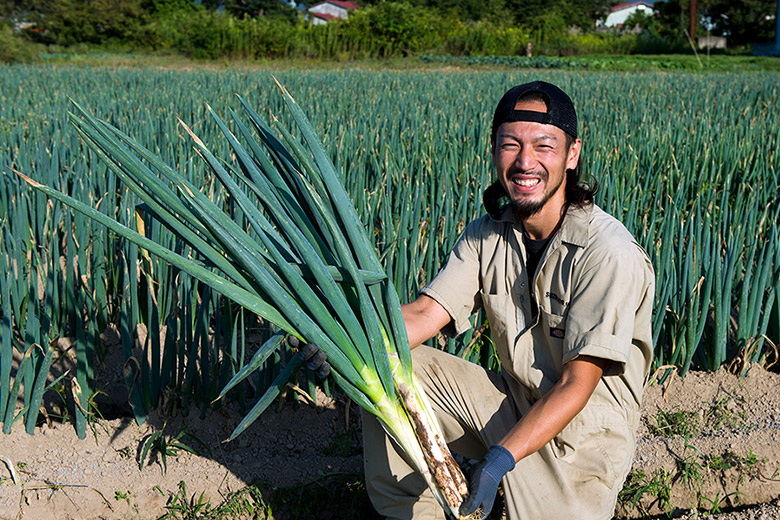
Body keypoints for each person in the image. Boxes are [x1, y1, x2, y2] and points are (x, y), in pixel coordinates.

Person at [361, 80, 656, 520]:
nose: (525, 162)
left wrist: (499, 460)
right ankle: (414, 513)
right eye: (510, 144)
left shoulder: (607, 252)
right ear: (494, 150)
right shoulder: (488, 232)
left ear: (572, 155)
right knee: (389, 362)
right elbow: (426, 313)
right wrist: (347, 334)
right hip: (515, 406)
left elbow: (578, 383)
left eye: (544, 146)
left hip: (581, 441)